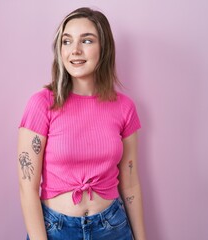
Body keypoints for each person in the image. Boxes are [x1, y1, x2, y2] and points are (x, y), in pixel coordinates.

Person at [18, 7, 146, 240]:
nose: (74, 50)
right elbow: (27, 188)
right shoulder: (42, 104)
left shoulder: (125, 107)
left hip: (112, 228)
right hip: (55, 229)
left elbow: (130, 183)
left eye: (86, 40)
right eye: (67, 42)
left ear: (104, 48)